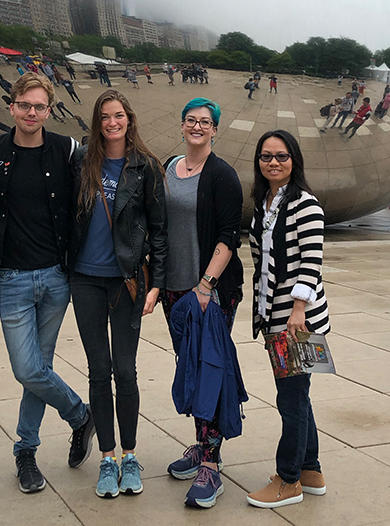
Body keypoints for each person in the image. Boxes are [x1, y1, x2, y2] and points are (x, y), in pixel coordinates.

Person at [0, 73, 95, 494]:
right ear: (12, 107)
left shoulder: (65, 150)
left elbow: (92, 195)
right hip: (11, 278)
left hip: (55, 278)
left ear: (49, 110)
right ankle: (80, 415)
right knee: (28, 369)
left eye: (39, 106)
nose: (31, 113)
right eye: (24, 105)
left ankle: (25, 452)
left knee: (36, 368)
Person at [69, 89, 167, 498]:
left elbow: (160, 230)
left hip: (127, 280)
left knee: (125, 370)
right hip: (85, 279)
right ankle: (107, 458)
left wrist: (157, 283)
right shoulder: (80, 161)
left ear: (129, 119)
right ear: (97, 120)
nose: (112, 122)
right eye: (105, 116)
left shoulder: (146, 167)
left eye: (119, 115)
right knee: (98, 370)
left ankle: (130, 455)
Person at [161, 97, 245, 509]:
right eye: (191, 120)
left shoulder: (223, 175)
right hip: (175, 291)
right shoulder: (169, 169)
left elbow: (230, 235)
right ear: (182, 125)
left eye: (205, 122)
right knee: (190, 369)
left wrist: (206, 286)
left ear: (215, 130)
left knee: (208, 370)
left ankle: (211, 463)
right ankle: (200, 445)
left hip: (209, 292)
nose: (197, 127)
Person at [246, 129, 329, 509]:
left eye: (281, 156)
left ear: (294, 160)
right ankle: (310, 470)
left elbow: (311, 264)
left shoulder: (305, 205)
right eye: (266, 157)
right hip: (275, 316)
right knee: (298, 396)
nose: (273, 163)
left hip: (297, 321)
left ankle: (289, 479)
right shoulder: (266, 204)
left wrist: (298, 312)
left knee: (291, 399)